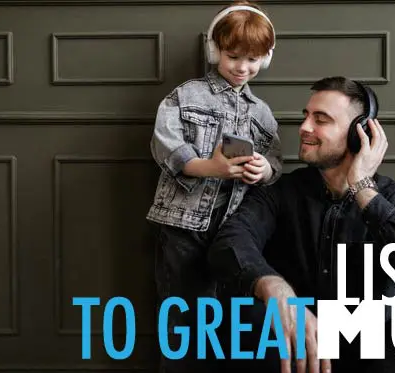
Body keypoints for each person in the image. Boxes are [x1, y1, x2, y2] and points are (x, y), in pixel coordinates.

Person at [207, 77, 395, 373]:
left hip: (372, 352)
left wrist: (363, 190)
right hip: (295, 346)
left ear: (359, 134)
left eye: (321, 120)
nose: (304, 127)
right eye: (306, 116)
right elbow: (230, 241)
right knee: (244, 313)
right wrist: (272, 286)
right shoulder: (280, 192)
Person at [145, 1, 283, 372]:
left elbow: (276, 161)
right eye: (233, 56)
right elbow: (166, 145)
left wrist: (262, 171)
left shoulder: (262, 113)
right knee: (181, 321)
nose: (242, 68)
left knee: (225, 322)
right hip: (182, 226)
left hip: (232, 232)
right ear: (214, 50)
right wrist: (211, 167)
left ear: (265, 59)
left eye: (253, 60)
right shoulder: (186, 95)